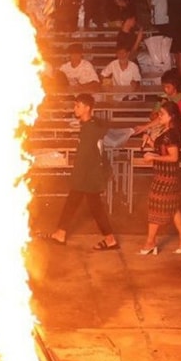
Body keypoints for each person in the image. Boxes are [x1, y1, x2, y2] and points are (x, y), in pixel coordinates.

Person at [47, 95, 120, 252]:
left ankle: (110, 239)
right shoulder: (91, 124)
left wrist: (76, 175)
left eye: (78, 106)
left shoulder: (90, 128)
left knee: (94, 207)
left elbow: (85, 157)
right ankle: (61, 233)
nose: (75, 109)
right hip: (89, 174)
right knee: (76, 203)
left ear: (87, 108)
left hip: (88, 175)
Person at [137, 102, 181, 256]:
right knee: (173, 207)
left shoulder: (171, 134)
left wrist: (153, 157)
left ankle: (150, 242)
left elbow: (173, 157)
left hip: (166, 177)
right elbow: (162, 149)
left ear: (171, 116)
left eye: (162, 114)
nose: (159, 116)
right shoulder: (168, 132)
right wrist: (149, 142)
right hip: (165, 175)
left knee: (156, 205)